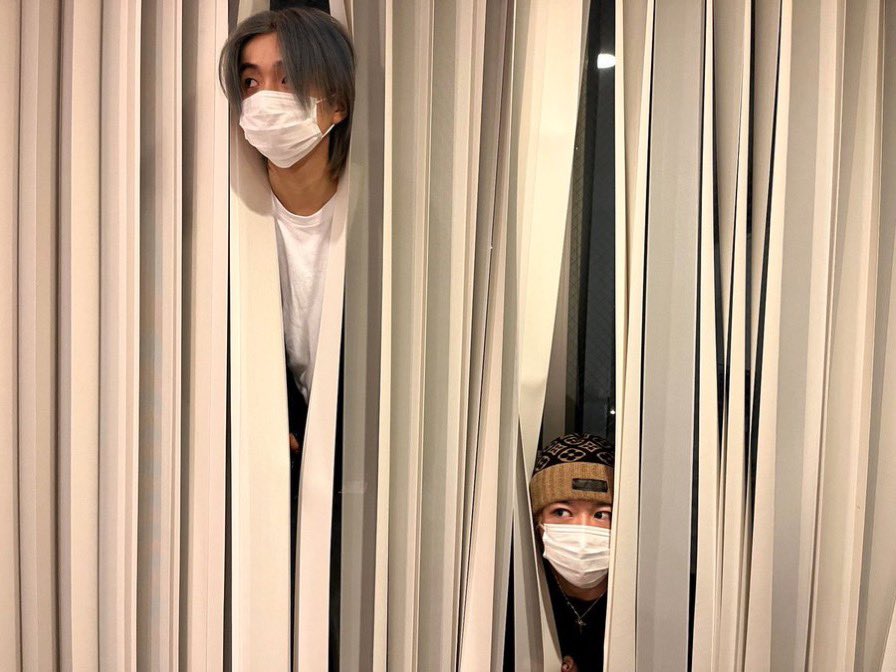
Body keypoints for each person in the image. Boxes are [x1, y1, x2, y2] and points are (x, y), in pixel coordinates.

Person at [218, 5, 355, 655]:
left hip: (361, 473)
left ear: (337, 103)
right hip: (266, 471)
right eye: (251, 81)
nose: (265, 98)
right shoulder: (224, 222)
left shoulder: (380, 220)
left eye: (288, 79)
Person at [530, 432, 615, 672]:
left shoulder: (646, 603)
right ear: (538, 522)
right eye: (561, 512)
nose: (582, 530)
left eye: (602, 514)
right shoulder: (521, 599)